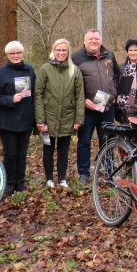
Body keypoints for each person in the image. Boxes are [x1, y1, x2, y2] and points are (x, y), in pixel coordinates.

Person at [0, 41, 36, 196]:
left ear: (23, 53)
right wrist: (10, 99)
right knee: (10, 155)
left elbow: (35, 93)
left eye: (18, 53)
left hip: (26, 118)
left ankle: (20, 183)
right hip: (7, 120)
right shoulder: (1, 73)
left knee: (22, 154)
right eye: (12, 53)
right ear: (7, 55)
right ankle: (9, 184)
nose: (16, 56)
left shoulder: (30, 70)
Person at [35, 39, 84, 189]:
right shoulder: (45, 69)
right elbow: (38, 94)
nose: (61, 53)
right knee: (48, 150)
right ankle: (49, 178)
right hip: (48, 118)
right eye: (58, 50)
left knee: (64, 151)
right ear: (53, 51)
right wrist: (40, 120)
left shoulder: (74, 70)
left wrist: (78, 119)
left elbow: (79, 96)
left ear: (68, 52)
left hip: (67, 117)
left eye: (64, 50)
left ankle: (62, 178)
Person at [72, 29, 119, 186]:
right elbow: (72, 84)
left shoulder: (109, 54)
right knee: (84, 141)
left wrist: (112, 95)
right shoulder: (75, 58)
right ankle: (84, 173)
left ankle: (108, 170)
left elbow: (116, 77)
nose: (94, 41)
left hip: (107, 107)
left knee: (106, 140)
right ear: (84, 41)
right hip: (87, 109)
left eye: (96, 39)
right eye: (91, 39)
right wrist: (83, 100)